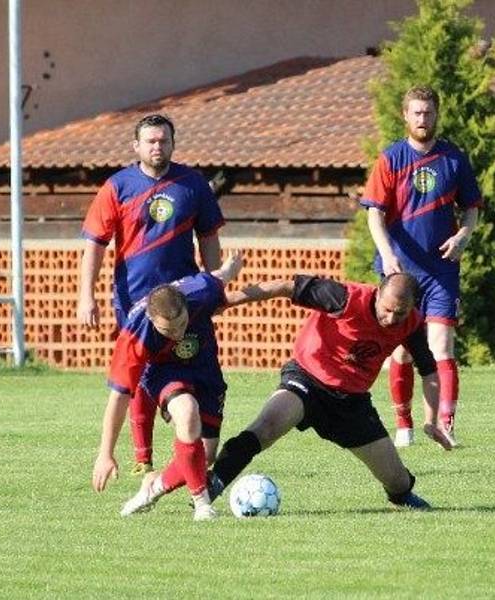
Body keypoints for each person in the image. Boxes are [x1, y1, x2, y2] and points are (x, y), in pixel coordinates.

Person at [204, 271, 443, 511]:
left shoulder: (412, 323)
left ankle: (401, 496)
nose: (391, 319)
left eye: (400, 313)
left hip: (351, 403)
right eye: (387, 309)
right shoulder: (344, 297)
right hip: (306, 379)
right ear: (378, 293)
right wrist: (229, 301)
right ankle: (212, 484)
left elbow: (428, 370)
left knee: (398, 481)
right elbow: (286, 286)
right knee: (266, 427)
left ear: (413, 306)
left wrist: (431, 421)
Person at [78, 114, 225, 475]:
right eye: (150, 141)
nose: (157, 147)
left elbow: (209, 238)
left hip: (185, 298)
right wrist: (87, 296)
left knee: (189, 360)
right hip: (134, 299)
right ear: (136, 146)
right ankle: (142, 457)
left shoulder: (192, 184)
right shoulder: (118, 186)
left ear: (173, 143)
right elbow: (95, 245)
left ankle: (192, 447)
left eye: (163, 141)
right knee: (138, 372)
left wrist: (215, 285)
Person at [360, 85, 483, 449]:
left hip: (441, 270)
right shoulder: (391, 158)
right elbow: (374, 215)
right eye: (416, 113)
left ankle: (445, 424)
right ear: (405, 116)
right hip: (400, 273)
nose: (422, 119)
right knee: (400, 349)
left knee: (442, 346)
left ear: (436, 114)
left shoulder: (454, 159)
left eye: (428, 112)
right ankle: (404, 424)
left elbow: (472, 208)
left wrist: (463, 236)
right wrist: (388, 254)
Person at [91, 253, 242, 521]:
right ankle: (202, 504)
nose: (179, 334)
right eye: (168, 331)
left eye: (183, 325)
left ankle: (154, 488)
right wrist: (106, 454)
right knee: (186, 411)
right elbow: (118, 398)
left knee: (204, 456)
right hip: (164, 372)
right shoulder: (135, 337)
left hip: (206, 371)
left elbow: (219, 278)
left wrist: (231, 267)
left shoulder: (201, 291)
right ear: (152, 320)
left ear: (186, 306)